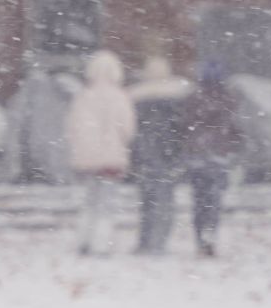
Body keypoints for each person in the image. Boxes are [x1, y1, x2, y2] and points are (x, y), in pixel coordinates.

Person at [65, 49, 138, 256]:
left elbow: (72, 127)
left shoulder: (83, 96)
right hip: (111, 158)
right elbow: (128, 129)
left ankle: (84, 239)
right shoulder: (120, 97)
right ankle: (101, 242)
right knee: (106, 203)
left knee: (89, 201)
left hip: (86, 157)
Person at [127, 55, 194, 254]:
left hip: (145, 157)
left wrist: (135, 156)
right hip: (167, 157)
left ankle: (145, 241)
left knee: (147, 202)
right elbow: (182, 130)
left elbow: (132, 132)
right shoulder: (179, 96)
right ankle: (159, 241)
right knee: (165, 201)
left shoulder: (136, 98)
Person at [181, 64, 243, 258]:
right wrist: (235, 146)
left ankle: (200, 238)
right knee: (214, 201)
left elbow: (184, 125)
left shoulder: (192, 98)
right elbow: (235, 127)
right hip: (219, 156)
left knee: (199, 202)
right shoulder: (228, 99)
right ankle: (210, 236)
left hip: (196, 156)